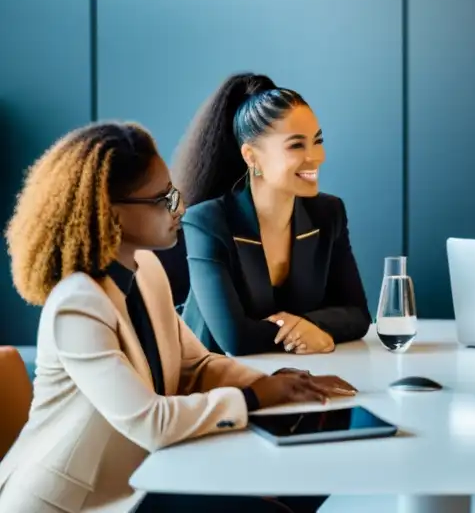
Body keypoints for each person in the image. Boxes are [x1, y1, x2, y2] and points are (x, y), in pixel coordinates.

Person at [0, 122, 354, 513]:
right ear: (110, 213)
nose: (180, 208)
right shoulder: (77, 305)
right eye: (162, 199)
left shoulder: (146, 270)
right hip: (78, 505)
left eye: (175, 193)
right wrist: (254, 397)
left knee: (291, 487)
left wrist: (277, 383)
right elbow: (151, 422)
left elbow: (194, 365)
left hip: (145, 479)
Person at [177, 73, 371, 356]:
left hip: (291, 376)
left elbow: (358, 315)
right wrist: (311, 334)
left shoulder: (328, 214)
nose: (316, 156)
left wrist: (312, 326)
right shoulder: (206, 222)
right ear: (251, 156)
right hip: (216, 385)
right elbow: (235, 339)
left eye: (317, 141)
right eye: (296, 145)